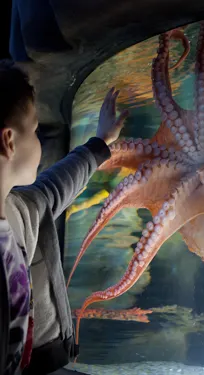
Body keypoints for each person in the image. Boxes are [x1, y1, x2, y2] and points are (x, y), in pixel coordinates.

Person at [0, 59, 128, 375]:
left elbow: (51, 190)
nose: (40, 142)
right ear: (9, 142)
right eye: (34, 130)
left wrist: (100, 145)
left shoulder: (17, 210)